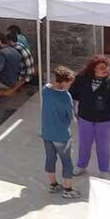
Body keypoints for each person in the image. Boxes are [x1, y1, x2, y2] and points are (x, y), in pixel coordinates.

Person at [70, 55, 110, 177]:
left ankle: (104, 170)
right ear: (93, 68)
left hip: (105, 120)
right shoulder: (82, 78)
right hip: (85, 117)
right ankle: (81, 165)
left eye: (107, 67)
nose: (106, 70)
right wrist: (71, 110)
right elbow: (72, 94)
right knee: (84, 144)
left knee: (103, 146)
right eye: (102, 68)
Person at [43, 65, 80, 198]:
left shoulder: (45, 90)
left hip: (47, 132)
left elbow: (48, 85)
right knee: (66, 161)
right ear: (63, 81)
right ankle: (68, 189)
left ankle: (53, 185)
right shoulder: (65, 96)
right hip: (61, 134)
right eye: (69, 82)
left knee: (50, 158)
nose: (70, 85)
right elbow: (70, 116)